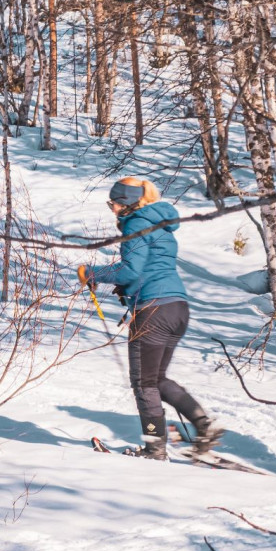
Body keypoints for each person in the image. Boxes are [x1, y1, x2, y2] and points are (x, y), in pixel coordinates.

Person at [78, 178, 222, 461]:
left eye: (113, 203)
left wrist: (92, 272)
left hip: (153, 310)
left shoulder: (134, 223)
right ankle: (204, 426)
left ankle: (154, 450)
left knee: (144, 383)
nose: (113, 209)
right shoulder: (161, 225)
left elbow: (130, 271)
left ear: (127, 203)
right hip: (177, 308)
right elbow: (147, 268)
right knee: (156, 378)